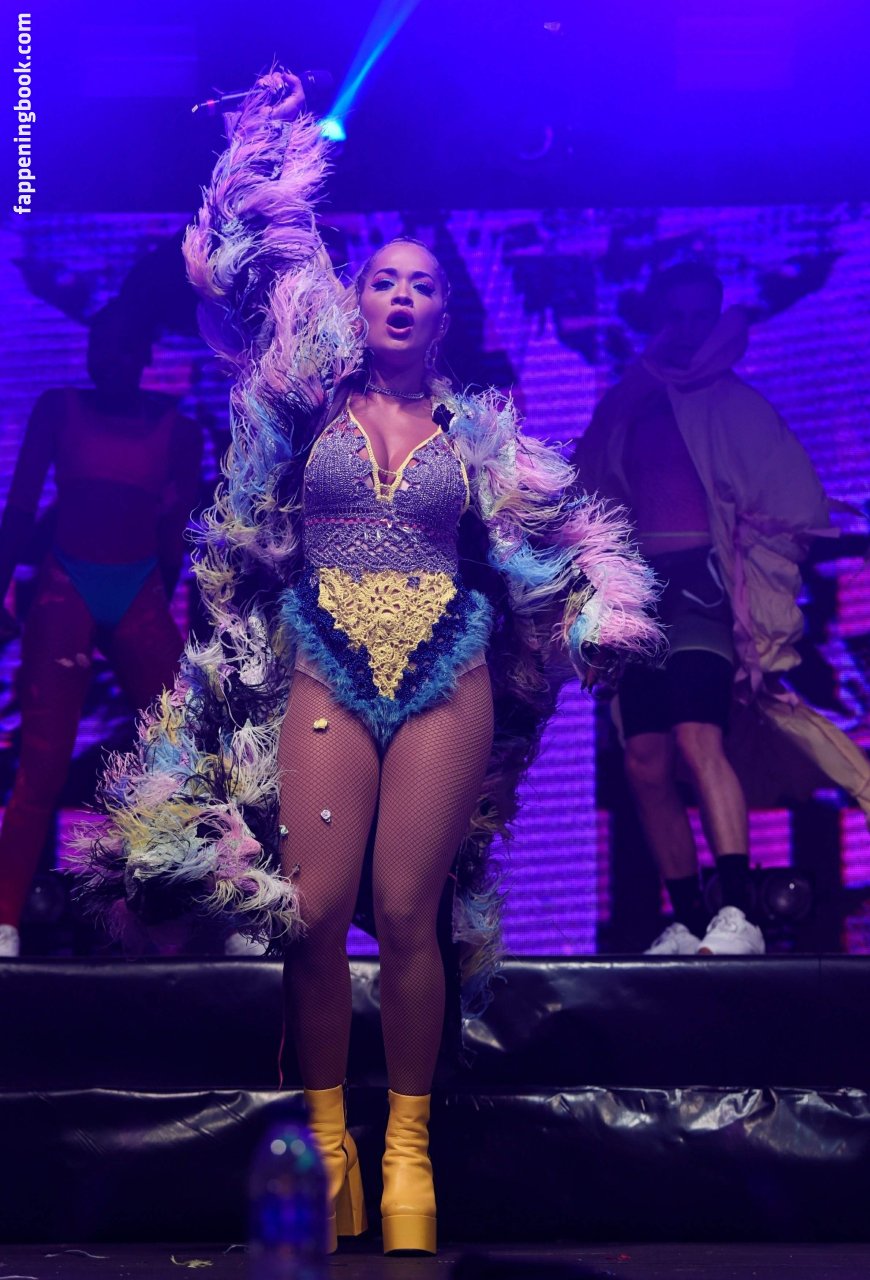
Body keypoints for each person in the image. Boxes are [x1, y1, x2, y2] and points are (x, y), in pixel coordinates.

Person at [74, 71, 660, 1255]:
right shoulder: (304, 400)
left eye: (421, 283)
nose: (400, 293)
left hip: (447, 669)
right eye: (383, 278)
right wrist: (224, 241)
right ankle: (329, 1141)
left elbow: (558, 546)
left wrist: (600, 615)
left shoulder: (479, 435)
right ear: (358, 299)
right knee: (316, 912)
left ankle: (407, 1150)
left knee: (404, 912)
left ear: (443, 314)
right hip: (324, 664)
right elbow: (237, 313)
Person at [573, 260, 870, 957]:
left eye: (700, 315)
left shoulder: (734, 404)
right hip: (640, 594)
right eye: (674, 315)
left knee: (696, 738)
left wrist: (750, 571)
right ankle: (687, 920)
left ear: (716, 319)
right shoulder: (629, 403)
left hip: (703, 588)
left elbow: (794, 506)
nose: (687, 329)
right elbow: (586, 489)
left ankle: (739, 914)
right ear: (656, 320)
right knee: (644, 760)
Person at [0, 302, 201, 959]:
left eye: (122, 348)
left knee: (181, 756)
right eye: (98, 346)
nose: (108, 359)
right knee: (41, 760)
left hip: (137, 588)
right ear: (87, 352)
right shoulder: (57, 409)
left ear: (143, 357)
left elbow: (177, 538)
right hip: (67, 585)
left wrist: (153, 605)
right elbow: (21, 508)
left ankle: (204, 913)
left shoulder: (179, 431)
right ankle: (5, 915)